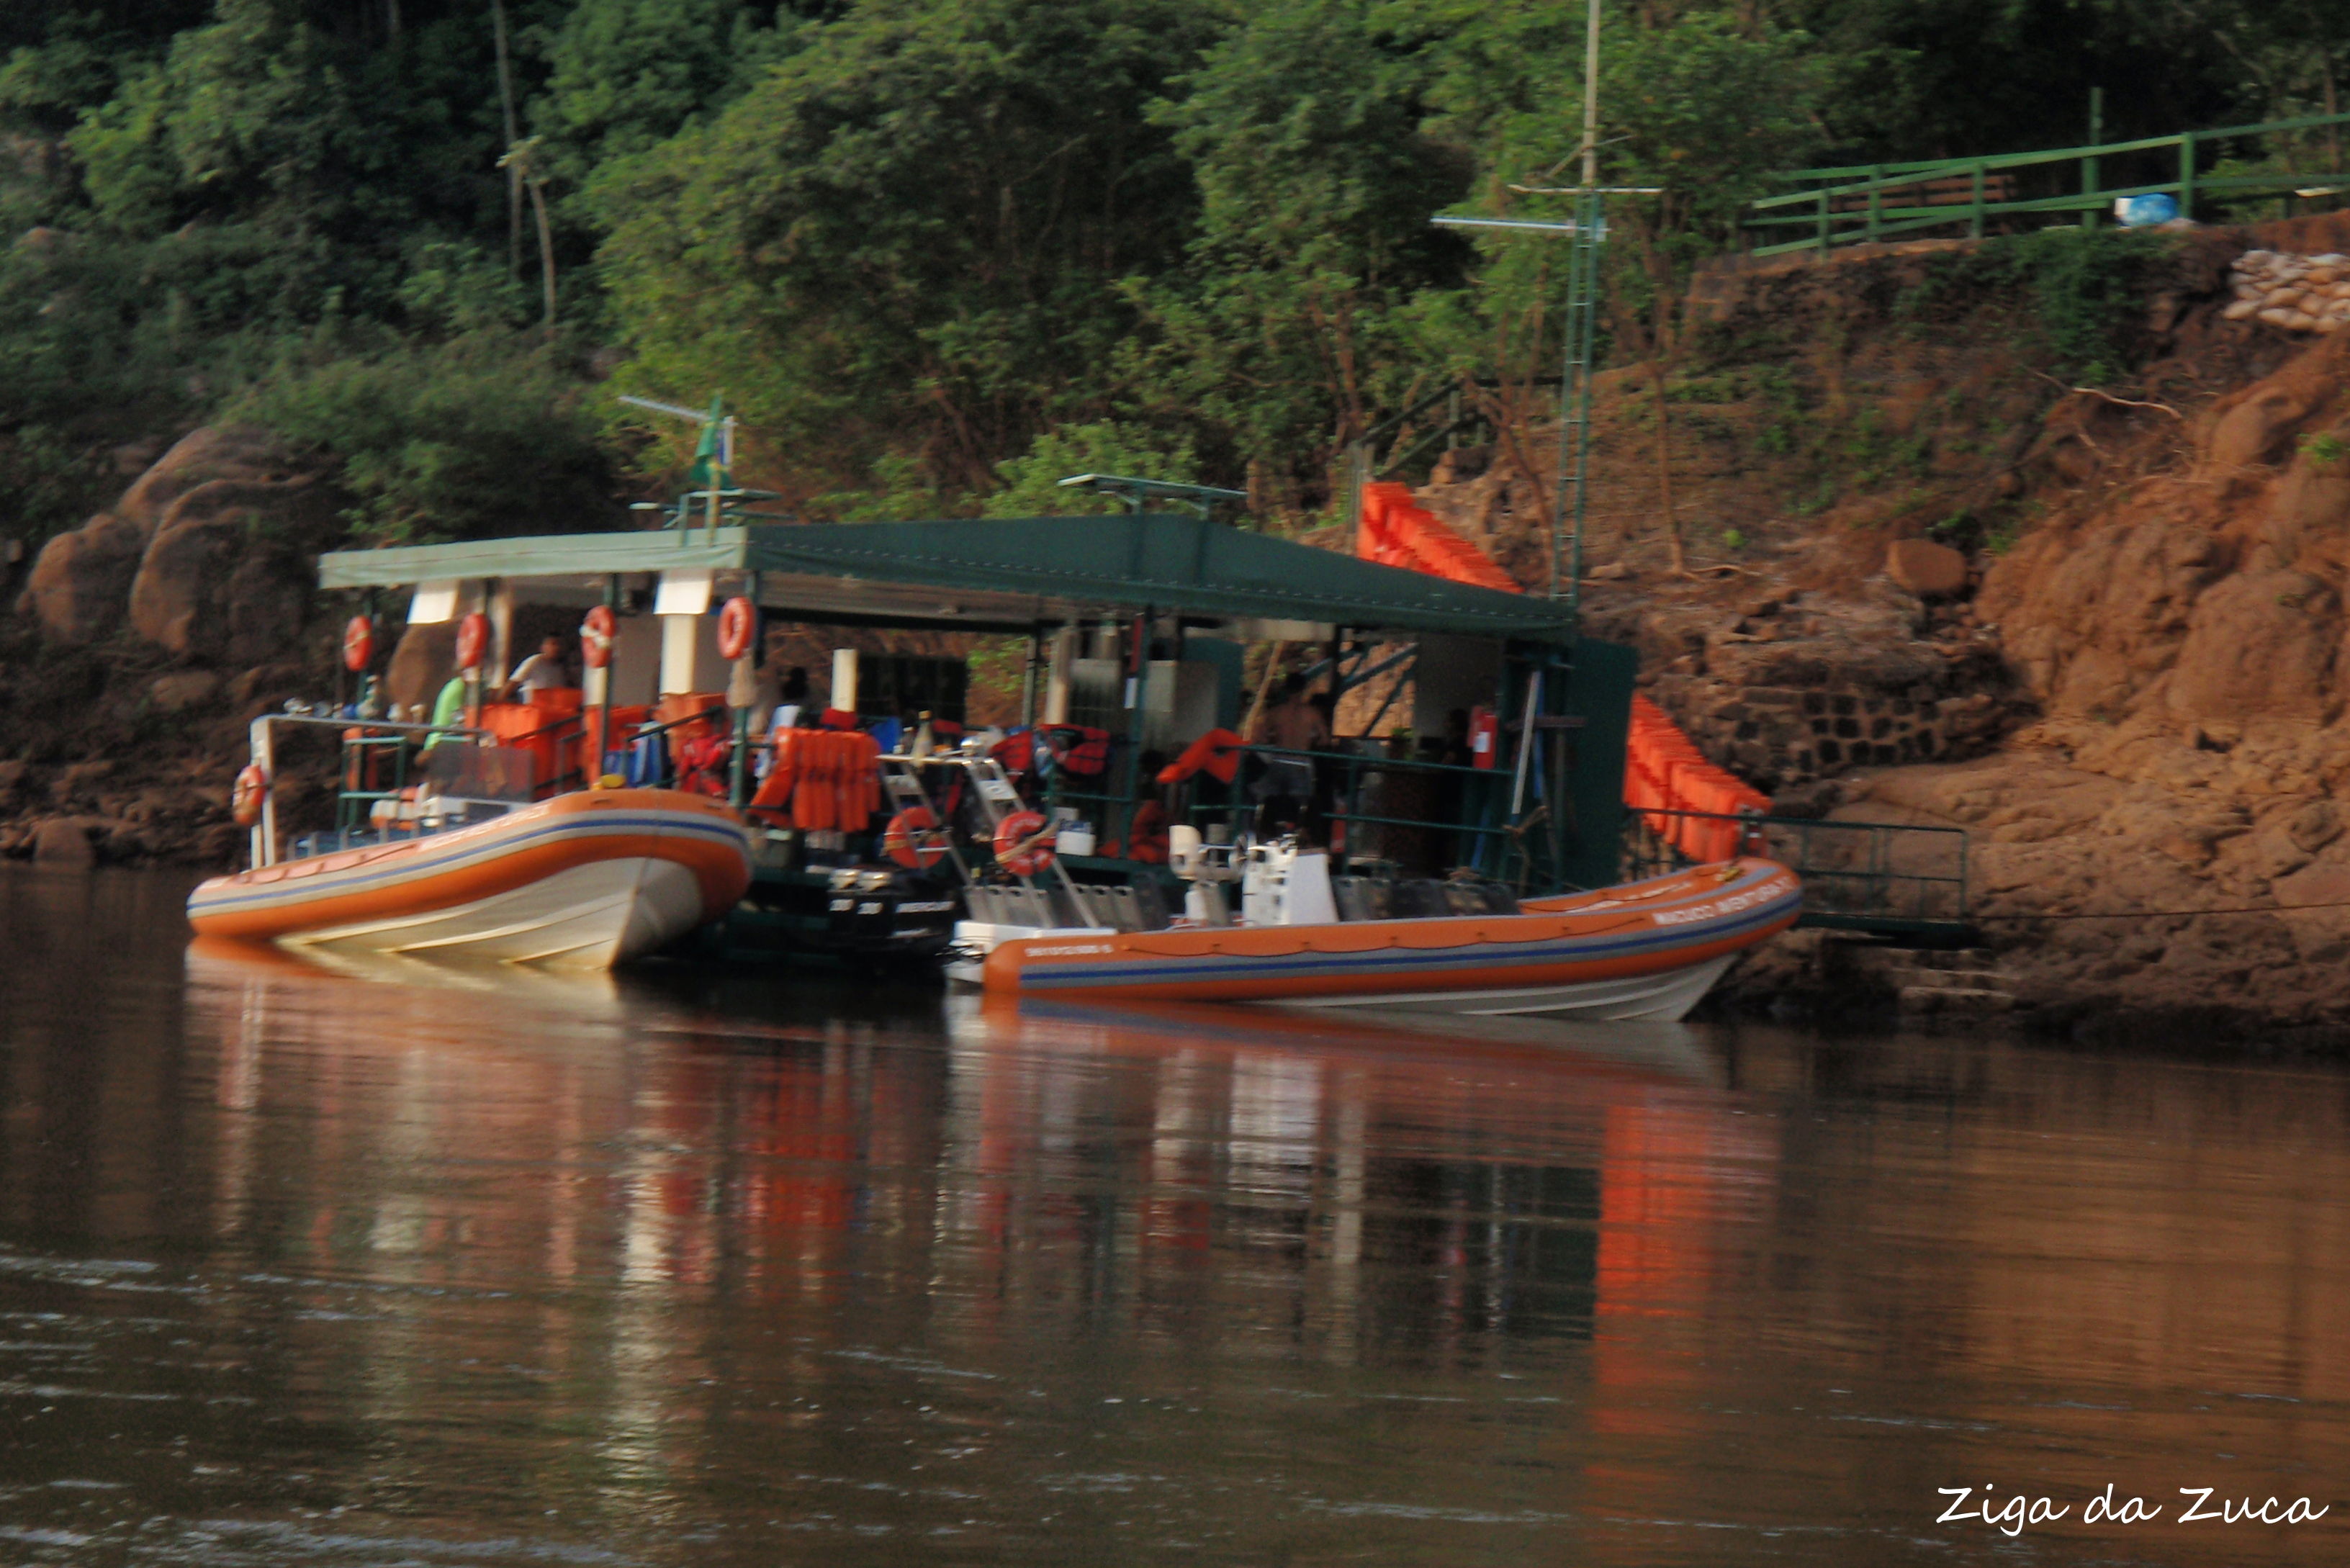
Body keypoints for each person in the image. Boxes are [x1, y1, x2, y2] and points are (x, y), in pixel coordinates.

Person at [502, 636, 571, 702]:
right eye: (553, 644)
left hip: (552, 705)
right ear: (543, 647)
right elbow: (514, 682)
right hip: (531, 704)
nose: (556, 648)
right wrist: (499, 701)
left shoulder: (562, 667)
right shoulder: (534, 661)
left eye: (559, 645)